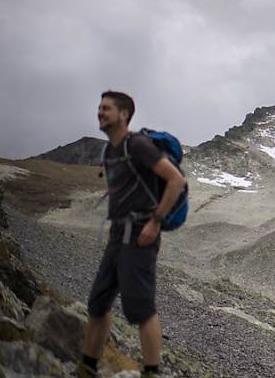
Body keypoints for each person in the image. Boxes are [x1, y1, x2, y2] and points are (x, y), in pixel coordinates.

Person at [78, 91, 186, 378]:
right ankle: (87, 366)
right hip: (117, 237)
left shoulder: (137, 145)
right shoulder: (111, 151)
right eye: (99, 107)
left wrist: (156, 222)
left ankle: (151, 371)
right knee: (97, 303)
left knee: (141, 308)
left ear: (124, 114)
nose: (100, 113)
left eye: (107, 108)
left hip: (140, 236)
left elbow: (176, 180)